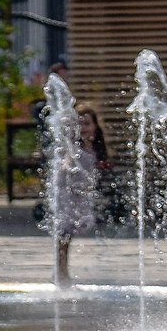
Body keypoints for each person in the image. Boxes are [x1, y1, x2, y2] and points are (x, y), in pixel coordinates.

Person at [47, 98, 106, 287]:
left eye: (87, 124)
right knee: (64, 234)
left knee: (72, 231)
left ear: (95, 126)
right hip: (67, 193)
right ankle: (60, 273)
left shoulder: (94, 147)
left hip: (79, 195)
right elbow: (67, 160)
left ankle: (60, 272)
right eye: (80, 124)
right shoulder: (74, 148)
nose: (84, 128)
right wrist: (67, 163)